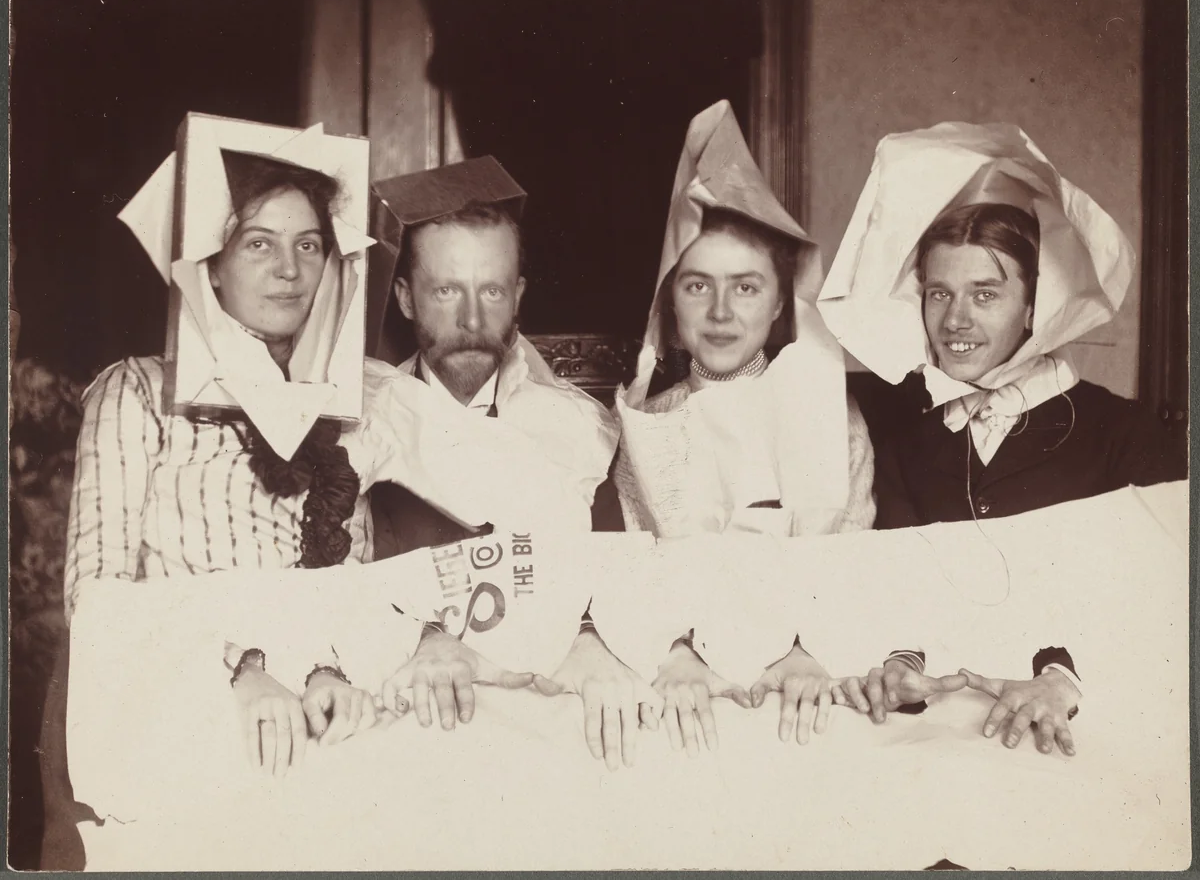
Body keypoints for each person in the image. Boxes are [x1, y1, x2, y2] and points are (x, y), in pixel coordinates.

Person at [41, 123, 533, 867]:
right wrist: (241, 672)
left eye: (309, 245)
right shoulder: (137, 390)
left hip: (313, 707)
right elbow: (99, 602)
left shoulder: (348, 406)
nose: (289, 269)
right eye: (259, 243)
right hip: (173, 704)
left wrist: (332, 671)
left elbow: (354, 592)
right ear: (209, 266)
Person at [818, 121, 1183, 752]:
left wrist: (1067, 678)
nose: (955, 321)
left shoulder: (1125, 434)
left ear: (1036, 305)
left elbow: (1165, 602)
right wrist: (900, 661)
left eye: (985, 294)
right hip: (932, 727)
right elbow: (891, 571)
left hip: (1075, 727)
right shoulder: (896, 421)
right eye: (939, 294)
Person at [610, 100, 877, 756]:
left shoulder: (828, 413)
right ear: (670, 306)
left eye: (747, 287)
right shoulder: (647, 423)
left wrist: (810, 649)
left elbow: (850, 555)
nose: (722, 312)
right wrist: (671, 650)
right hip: (684, 680)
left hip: (804, 674)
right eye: (698, 287)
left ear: (781, 300)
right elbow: (633, 568)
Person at [363, 157, 629, 745]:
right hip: (408, 698)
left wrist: (590, 634)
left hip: (547, 696)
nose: (472, 319)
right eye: (445, 291)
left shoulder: (578, 429)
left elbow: (612, 572)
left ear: (518, 297)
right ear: (406, 297)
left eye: (492, 290)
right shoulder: (368, 422)